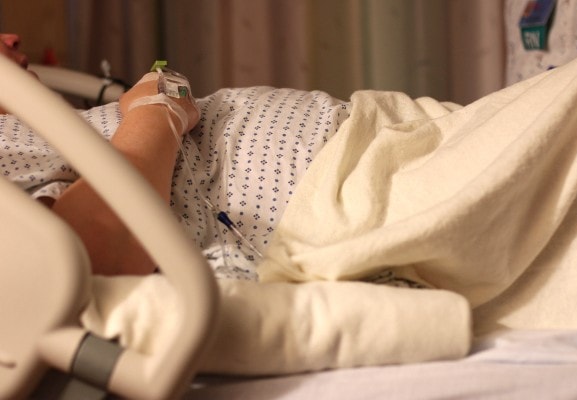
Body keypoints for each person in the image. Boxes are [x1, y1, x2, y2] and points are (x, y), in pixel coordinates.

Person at [0, 33, 351, 276]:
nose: (13, 37)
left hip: (349, 143)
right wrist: (157, 108)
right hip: (337, 194)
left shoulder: (27, 130)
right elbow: (90, 251)